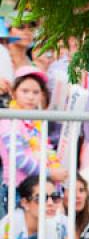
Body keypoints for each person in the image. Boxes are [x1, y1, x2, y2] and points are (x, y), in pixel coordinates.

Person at [0, 66, 67, 217]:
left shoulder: (37, 123)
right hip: (17, 190)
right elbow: (19, 159)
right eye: (25, 91)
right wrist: (50, 173)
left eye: (35, 92)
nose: (30, 96)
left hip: (38, 188)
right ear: (13, 93)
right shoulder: (9, 120)